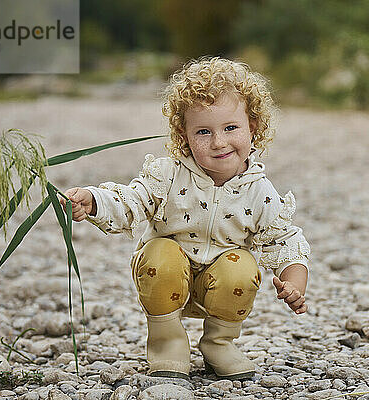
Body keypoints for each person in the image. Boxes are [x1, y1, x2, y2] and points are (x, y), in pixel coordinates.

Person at [61, 57, 310, 380]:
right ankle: (168, 344)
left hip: (221, 286)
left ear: (254, 127)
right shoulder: (168, 175)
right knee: (159, 252)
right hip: (166, 277)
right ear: (184, 134)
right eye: (203, 132)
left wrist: (294, 284)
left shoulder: (259, 191)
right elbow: (130, 202)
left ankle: (218, 343)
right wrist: (94, 201)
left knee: (243, 265)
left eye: (231, 128)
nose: (219, 142)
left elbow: (285, 241)